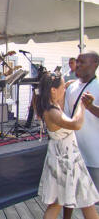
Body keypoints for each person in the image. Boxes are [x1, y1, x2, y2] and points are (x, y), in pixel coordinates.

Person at [35, 71, 99, 219]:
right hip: (65, 162)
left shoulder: (53, 104)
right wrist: (83, 106)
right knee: (59, 203)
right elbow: (76, 124)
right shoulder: (52, 112)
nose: (65, 90)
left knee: (85, 201)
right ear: (53, 90)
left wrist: (67, 84)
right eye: (63, 87)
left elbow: (61, 90)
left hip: (68, 160)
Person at [63, 51, 99, 219]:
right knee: (68, 196)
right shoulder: (71, 87)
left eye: (82, 62)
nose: (77, 65)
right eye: (77, 61)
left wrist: (91, 107)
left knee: (93, 200)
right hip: (73, 153)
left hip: (94, 156)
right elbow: (66, 117)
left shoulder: (98, 87)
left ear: (94, 65)